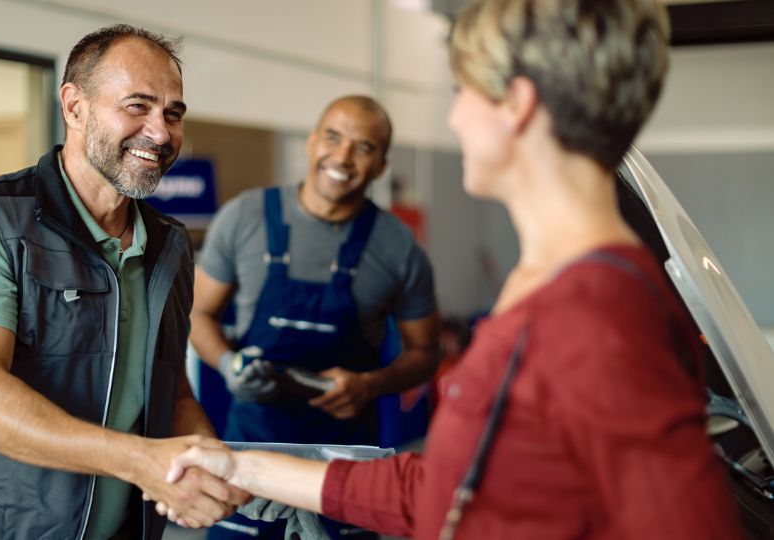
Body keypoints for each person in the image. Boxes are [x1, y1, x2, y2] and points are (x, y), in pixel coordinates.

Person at [159, 1, 744, 538]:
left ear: (518, 105)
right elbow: (449, 488)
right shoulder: (554, 287)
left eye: (462, 91)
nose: (456, 117)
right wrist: (246, 468)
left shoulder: (593, 315)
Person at [0, 25, 248, 540]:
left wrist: (211, 463)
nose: (160, 132)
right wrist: (141, 461)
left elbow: (168, 385)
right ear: (74, 106)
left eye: (173, 113)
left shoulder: (169, 244)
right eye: (137, 106)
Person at [189, 95, 440, 538]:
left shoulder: (399, 248)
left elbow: (425, 352)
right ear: (311, 142)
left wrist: (370, 385)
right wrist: (229, 365)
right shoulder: (244, 217)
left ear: (381, 165)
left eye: (363, 147)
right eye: (333, 137)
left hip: (344, 469)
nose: (342, 157)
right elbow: (197, 314)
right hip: (251, 459)